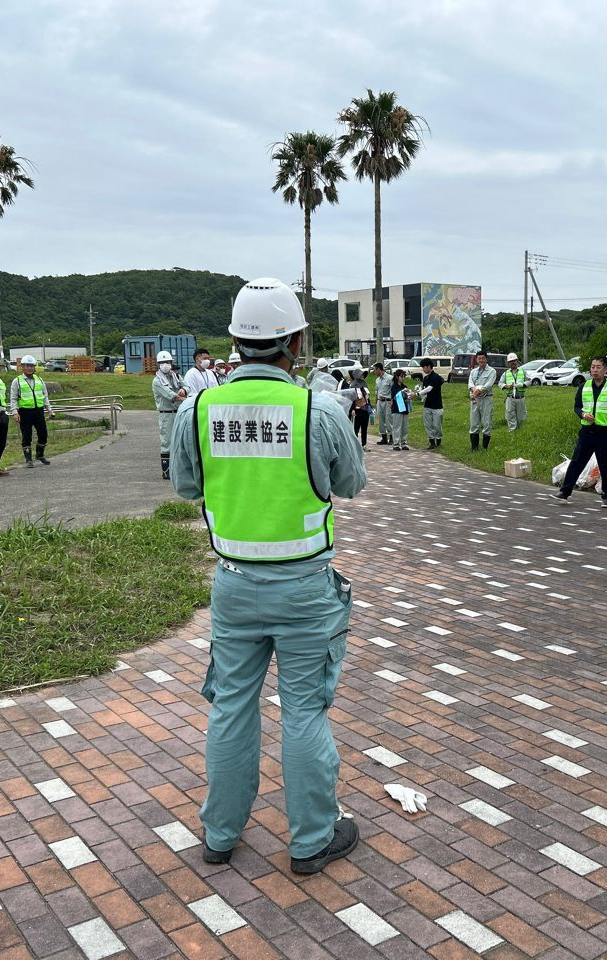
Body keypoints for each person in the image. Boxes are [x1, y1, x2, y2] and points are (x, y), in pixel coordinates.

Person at [169, 277, 366, 875]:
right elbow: (351, 485)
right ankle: (310, 840)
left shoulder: (197, 407)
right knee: (303, 709)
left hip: (233, 584)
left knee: (231, 705)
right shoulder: (318, 409)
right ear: (297, 342)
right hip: (305, 587)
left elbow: (185, 486)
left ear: (233, 341)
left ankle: (221, 835)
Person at [551, 356, 607, 508]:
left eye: (598, 367)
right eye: (592, 367)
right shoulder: (584, 386)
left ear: (605, 369)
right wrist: (583, 414)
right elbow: (577, 406)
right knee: (577, 462)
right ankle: (565, 492)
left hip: (604, 432)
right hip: (587, 431)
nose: (594, 370)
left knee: (606, 465)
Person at [9, 355, 54, 467]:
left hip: (38, 411)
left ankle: (40, 454)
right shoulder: (17, 381)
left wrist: (50, 410)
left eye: (32, 366)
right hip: (25, 412)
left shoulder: (39, 380)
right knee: (27, 435)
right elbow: (13, 398)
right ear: (22, 367)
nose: (29, 368)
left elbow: (45, 396)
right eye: (27, 366)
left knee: (43, 433)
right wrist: (14, 412)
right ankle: (28, 459)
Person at [152, 349, 187, 479]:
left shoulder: (176, 376)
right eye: (162, 362)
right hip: (166, 414)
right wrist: (186, 398)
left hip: (178, 411)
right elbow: (170, 395)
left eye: (168, 362)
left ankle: (177, 470)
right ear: (158, 364)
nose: (165, 364)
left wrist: (183, 389)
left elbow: (187, 386)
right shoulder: (157, 381)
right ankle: (166, 472)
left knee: (180, 440)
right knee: (167, 442)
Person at [467, 349, 496, 450]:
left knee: (486, 422)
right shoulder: (473, 371)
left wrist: (478, 390)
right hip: (475, 400)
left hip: (486, 399)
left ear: (486, 359)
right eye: (479, 358)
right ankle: (474, 448)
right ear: (476, 359)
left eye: (483, 358)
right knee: (474, 422)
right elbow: (470, 383)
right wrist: (473, 389)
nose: (481, 360)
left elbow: (488, 385)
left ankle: (485, 447)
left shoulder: (492, 371)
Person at [417, 358, 444, 448]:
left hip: (437, 405)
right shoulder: (425, 378)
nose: (423, 370)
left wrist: (417, 394)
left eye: (424, 367)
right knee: (428, 424)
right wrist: (419, 395)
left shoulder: (436, 377)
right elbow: (424, 390)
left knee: (437, 425)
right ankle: (432, 442)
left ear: (429, 366)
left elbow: (429, 388)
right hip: (427, 405)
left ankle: (438, 441)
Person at [501, 352, 527, 432]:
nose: (513, 362)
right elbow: (500, 383)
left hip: (520, 398)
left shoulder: (523, 371)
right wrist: (507, 386)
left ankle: (520, 432)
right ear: (508, 363)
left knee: (521, 417)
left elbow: (529, 381)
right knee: (510, 415)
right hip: (510, 397)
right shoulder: (506, 373)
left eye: (514, 360)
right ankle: (512, 433)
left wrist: (522, 384)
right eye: (510, 361)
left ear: (517, 361)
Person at [346, 367, 371, 448]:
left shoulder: (365, 384)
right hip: (357, 410)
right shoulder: (352, 386)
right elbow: (351, 399)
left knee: (364, 428)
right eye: (361, 374)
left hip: (365, 410)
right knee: (356, 428)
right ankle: (355, 445)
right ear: (357, 375)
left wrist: (369, 407)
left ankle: (364, 444)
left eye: (363, 374)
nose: (362, 376)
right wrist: (352, 409)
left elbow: (367, 397)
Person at [390, 369, 414, 451]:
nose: (403, 378)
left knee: (405, 427)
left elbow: (408, 397)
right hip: (397, 409)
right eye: (401, 376)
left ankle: (404, 443)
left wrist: (409, 393)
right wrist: (402, 392)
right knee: (397, 427)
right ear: (397, 377)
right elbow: (395, 397)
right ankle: (396, 443)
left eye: (404, 377)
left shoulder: (405, 386)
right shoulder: (394, 387)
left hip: (405, 409)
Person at [373, 362, 393, 445]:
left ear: (378, 369)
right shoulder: (377, 380)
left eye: (374, 370)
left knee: (388, 420)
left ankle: (391, 437)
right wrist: (375, 403)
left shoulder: (389, 378)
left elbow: (393, 390)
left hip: (387, 401)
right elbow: (376, 392)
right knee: (381, 420)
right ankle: (383, 437)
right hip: (379, 401)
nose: (374, 372)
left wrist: (392, 400)